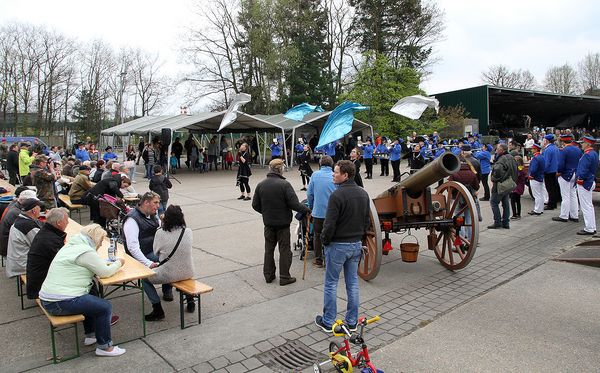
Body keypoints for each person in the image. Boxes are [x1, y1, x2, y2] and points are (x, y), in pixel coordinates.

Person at [39, 224, 126, 357]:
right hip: (59, 302)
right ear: (96, 238)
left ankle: (91, 336)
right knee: (104, 307)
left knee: (90, 298)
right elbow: (105, 272)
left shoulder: (73, 245)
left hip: (49, 298)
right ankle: (105, 347)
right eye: (101, 241)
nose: (101, 244)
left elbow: (90, 263)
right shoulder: (85, 251)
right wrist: (119, 262)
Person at [315, 160, 370, 332]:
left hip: (338, 245)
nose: (333, 174)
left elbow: (329, 224)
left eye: (336, 172)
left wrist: (324, 240)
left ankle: (328, 321)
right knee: (352, 283)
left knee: (331, 283)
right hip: (355, 244)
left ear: (345, 175)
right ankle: (352, 321)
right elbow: (366, 221)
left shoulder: (337, 196)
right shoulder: (363, 194)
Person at [252, 159, 311, 285]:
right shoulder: (284, 185)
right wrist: (307, 210)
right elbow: (294, 204)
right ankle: (284, 277)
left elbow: (255, 205)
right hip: (282, 224)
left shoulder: (261, 185)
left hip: (268, 223)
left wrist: (266, 212)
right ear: (280, 169)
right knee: (284, 250)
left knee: (269, 249)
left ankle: (269, 275)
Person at [122, 191, 171, 320]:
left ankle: (168, 290)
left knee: (171, 260)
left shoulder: (152, 215)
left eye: (159, 203)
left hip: (152, 251)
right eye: (155, 203)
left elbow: (162, 231)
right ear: (145, 202)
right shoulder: (132, 219)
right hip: (140, 255)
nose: (158, 206)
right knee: (145, 276)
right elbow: (132, 248)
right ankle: (157, 308)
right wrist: (147, 263)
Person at [149, 205, 196, 312]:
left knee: (145, 279)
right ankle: (190, 300)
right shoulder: (188, 231)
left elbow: (156, 252)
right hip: (188, 271)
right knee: (177, 267)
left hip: (168, 274)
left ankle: (157, 308)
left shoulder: (160, 232)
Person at [26, 207, 69, 299]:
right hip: (41, 286)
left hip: (37, 279)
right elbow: (64, 262)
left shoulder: (46, 232)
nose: (68, 223)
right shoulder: (51, 239)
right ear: (59, 223)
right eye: (66, 220)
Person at [306, 156, 336, 268]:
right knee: (332, 235)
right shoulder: (335, 175)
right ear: (331, 164)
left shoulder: (315, 175)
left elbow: (309, 194)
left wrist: (311, 207)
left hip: (318, 212)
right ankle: (331, 259)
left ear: (320, 163)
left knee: (317, 235)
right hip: (332, 213)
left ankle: (318, 260)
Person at [6, 198, 44, 278]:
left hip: (16, 261)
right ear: (34, 211)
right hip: (22, 265)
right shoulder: (28, 226)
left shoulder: (21, 219)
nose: (40, 209)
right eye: (39, 207)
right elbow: (42, 243)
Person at [553, 134, 582, 223]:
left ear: (562, 141)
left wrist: (558, 172)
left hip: (565, 174)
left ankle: (564, 216)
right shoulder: (578, 149)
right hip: (575, 173)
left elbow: (561, 164)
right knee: (573, 195)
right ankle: (574, 215)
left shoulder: (564, 150)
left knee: (565, 196)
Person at [0, 189, 37, 259]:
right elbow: (29, 228)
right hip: (7, 248)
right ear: (26, 202)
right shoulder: (17, 213)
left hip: (5, 242)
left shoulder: (13, 205)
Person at [488, 143, 517, 229]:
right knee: (505, 203)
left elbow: (497, 172)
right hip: (509, 183)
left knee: (493, 202)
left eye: (497, 149)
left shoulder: (501, 159)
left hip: (500, 185)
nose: (496, 151)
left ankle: (497, 222)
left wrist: (494, 179)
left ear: (502, 150)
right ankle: (506, 222)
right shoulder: (511, 157)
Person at [575, 136, 599, 235]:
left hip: (585, 182)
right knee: (589, 205)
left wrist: (580, 179)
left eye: (583, 143)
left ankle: (589, 228)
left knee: (586, 206)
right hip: (590, 180)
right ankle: (591, 227)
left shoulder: (587, 155)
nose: (581, 144)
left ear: (588, 144)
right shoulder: (594, 153)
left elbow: (583, 169)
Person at [542, 134, 561, 210]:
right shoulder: (555, 148)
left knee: (550, 188)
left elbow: (546, 162)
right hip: (555, 170)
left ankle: (551, 204)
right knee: (554, 188)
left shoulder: (548, 149)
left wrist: (543, 171)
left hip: (549, 171)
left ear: (546, 141)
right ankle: (554, 203)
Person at [527, 143, 545, 216]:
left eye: (532, 149)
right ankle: (540, 209)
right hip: (540, 177)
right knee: (540, 194)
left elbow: (533, 169)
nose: (531, 150)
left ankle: (537, 210)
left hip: (535, 178)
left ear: (535, 149)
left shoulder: (535, 158)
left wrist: (531, 175)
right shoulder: (541, 157)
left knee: (536, 195)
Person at [510, 156, 528, 220]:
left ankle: (514, 214)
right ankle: (518, 214)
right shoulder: (521, 168)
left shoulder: (518, 169)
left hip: (516, 187)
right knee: (518, 201)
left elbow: (516, 177)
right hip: (520, 187)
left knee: (513, 201)